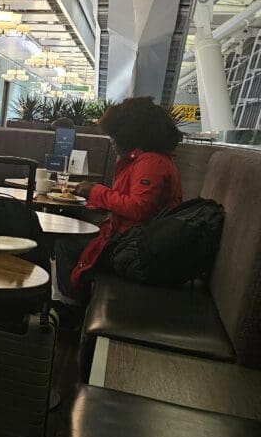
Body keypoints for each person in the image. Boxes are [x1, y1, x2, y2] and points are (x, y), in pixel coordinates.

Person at [55, 97, 183, 301]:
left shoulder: (150, 162)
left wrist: (95, 192)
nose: (112, 141)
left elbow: (139, 207)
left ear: (132, 134)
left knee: (64, 245)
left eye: (115, 135)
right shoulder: (152, 159)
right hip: (134, 241)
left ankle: (73, 308)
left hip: (135, 247)